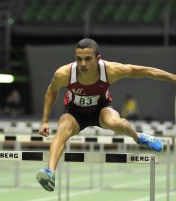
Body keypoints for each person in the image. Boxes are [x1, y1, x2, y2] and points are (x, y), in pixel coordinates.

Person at [36, 38, 176, 192]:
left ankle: (139, 137)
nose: (83, 64)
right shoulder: (64, 73)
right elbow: (51, 91)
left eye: (88, 59)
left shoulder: (110, 70)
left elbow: (146, 71)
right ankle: (50, 173)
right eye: (79, 59)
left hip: (101, 109)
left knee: (116, 123)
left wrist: (174, 78)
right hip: (74, 112)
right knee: (62, 130)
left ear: (98, 59)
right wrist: (44, 120)